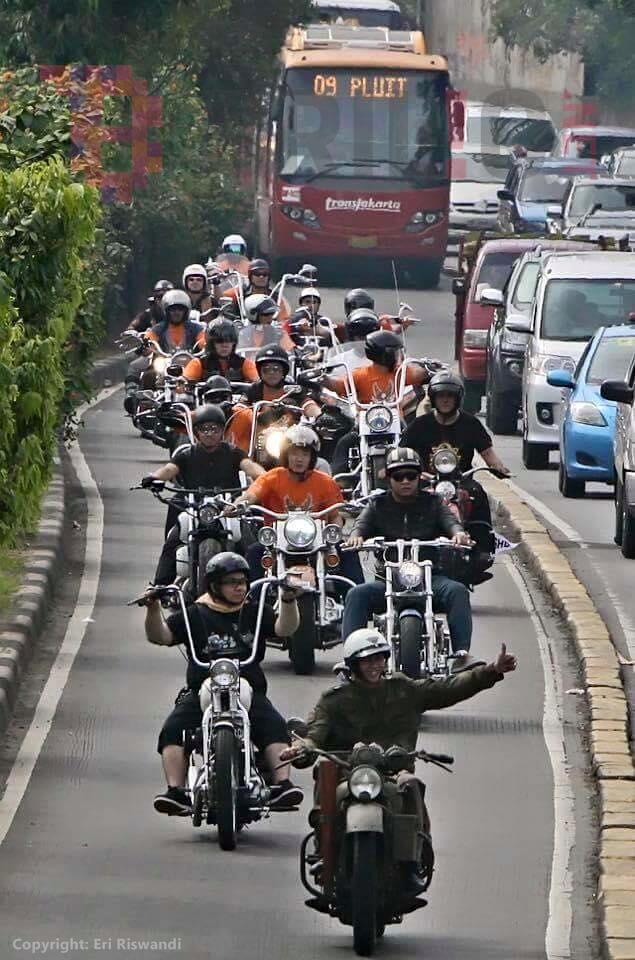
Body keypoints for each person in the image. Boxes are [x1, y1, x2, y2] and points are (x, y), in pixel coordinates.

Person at [280, 627, 517, 891]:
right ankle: (323, 853)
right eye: (367, 660)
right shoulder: (334, 700)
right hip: (349, 771)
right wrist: (302, 748)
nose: (374, 665)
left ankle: (414, 862)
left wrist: (492, 671)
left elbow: (447, 688)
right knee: (325, 773)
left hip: (393, 770)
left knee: (411, 785)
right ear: (353, 664)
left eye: (379, 658)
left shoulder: (403, 688)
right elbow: (315, 734)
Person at [146, 552, 305, 815]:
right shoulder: (195, 612)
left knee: (275, 725)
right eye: (232, 582)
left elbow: (284, 629)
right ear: (215, 585)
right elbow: (160, 636)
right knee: (173, 730)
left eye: (242, 581)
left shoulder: (253, 611)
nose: (239, 587)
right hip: (202, 690)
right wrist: (153, 609)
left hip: (248, 689)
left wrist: (288, 600)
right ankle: (175, 791)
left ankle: (282, 784)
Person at [342, 447, 482, 673]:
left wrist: (458, 534)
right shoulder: (377, 504)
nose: (405, 481)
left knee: (457, 591)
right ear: (389, 478)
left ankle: (461, 655)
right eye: (398, 476)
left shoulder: (434, 503)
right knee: (356, 595)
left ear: (420, 477)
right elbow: (360, 526)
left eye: (411, 475)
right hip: (388, 579)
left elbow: (450, 522)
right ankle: (351, 658)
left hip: (430, 577)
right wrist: (356, 538)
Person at [226, 425, 362, 586]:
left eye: (305, 454)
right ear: (285, 455)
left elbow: (335, 517)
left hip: (318, 542)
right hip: (277, 542)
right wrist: (238, 505)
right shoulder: (271, 478)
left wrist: (333, 536)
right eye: (294, 453)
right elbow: (250, 495)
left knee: (346, 552)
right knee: (255, 553)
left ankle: (353, 598)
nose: (299, 459)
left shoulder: (325, 482)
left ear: (312, 458)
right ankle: (252, 603)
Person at [141, 404, 264, 580]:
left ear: (222, 430)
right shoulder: (186, 454)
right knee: (173, 540)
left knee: (249, 542)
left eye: (214, 428)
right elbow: (169, 469)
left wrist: (266, 479)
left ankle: (257, 589)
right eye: (203, 429)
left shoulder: (234, 453)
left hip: (228, 508)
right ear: (197, 431)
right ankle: (160, 587)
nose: (209, 433)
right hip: (194, 507)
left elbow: (251, 468)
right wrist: (154, 478)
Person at [401, 370, 510, 534]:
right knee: (403, 494)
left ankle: (484, 543)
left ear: (457, 398)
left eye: (450, 396)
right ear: (433, 397)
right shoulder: (419, 425)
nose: (445, 399)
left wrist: (499, 468)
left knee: (478, 493)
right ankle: (399, 541)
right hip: (426, 480)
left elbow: (488, 453)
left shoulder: (471, 424)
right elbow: (402, 452)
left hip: (461, 481)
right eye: (441, 395)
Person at [323, 330, 430, 476]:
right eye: (395, 352)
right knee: (345, 442)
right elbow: (339, 385)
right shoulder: (360, 375)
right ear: (384, 354)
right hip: (364, 424)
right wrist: (322, 379)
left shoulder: (400, 372)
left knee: (416, 442)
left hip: (397, 423)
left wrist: (430, 370)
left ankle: (424, 474)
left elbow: (419, 374)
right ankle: (338, 479)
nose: (398, 355)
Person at [225, 344, 321, 454]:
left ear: (283, 371)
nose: (271, 373)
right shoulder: (254, 390)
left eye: (276, 369)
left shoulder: (292, 390)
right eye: (266, 370)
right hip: (257, 440)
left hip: (290, 440)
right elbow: (239, 409)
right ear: (260, 372)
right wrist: (261, 416)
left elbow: (309, 405)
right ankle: (237, 455)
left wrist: (320, 416)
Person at [181, 318, 258, 386]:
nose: (224, 345)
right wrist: (182, 382)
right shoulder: (199, 363)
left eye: (228, 340)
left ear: (234, 342)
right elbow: (184, 381)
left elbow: (258, 380)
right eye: (219, 341)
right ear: (211, 343)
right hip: (207, 401)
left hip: (236, 402)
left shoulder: (243, 363)